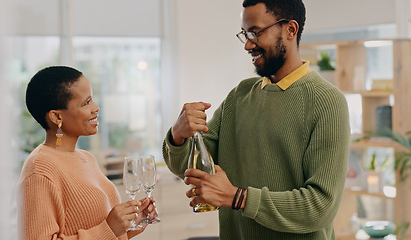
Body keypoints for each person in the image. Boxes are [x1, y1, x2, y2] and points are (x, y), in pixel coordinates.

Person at [162, 0, 350, 239]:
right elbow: (191, 170)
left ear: (290, 30)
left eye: (255, 32)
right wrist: (178, 136)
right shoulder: (240, 95)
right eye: (244, 34)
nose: (248, 44)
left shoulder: (327, 101)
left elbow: (320, 207)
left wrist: (237, 197)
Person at [18, 66, 156, 240]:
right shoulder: (40, 170)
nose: (96, 108)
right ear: (57, 117)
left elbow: (106, 233)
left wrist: (134, 222)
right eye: (86, 103)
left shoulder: (87, 158)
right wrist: (109, 229)